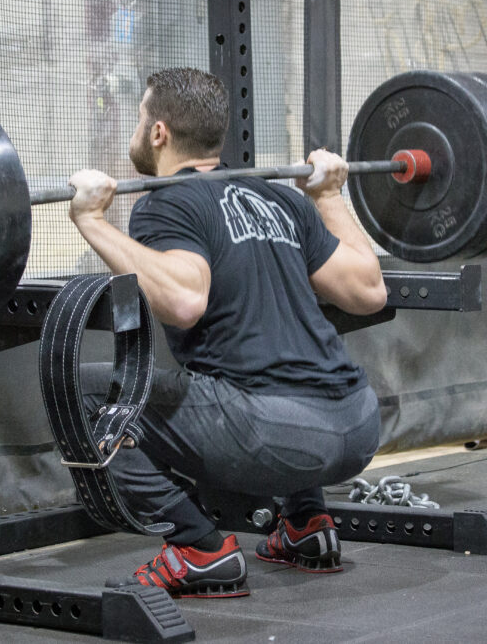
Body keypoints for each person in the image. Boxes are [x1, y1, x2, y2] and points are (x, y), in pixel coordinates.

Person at [67, 67, 385, 598]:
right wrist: (328, 195)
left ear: (159, 133)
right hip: (359, 423)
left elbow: (186, 301)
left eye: (140, 119)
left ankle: (197, 548)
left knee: (80, 387)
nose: (136, 132)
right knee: (265, 351)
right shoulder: (278, 199)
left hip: (277, 436)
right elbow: (368, 289)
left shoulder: (167, 201)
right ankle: (307, 523)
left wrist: (93, 221)